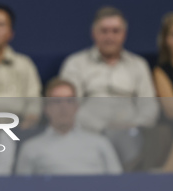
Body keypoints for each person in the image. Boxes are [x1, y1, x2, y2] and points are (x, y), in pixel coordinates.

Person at [59, 6, 159, 169]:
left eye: (115, 31)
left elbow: (149, 106)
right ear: (94, 34)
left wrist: (134, 125)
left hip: (129, 134)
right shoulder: (75, 63)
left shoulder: (138, 65)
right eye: (104, 31)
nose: (109, 37)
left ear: (124, 34)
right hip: (87, 133)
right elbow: (67, 104)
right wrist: (89, 128)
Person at [15, 78, 122, 176]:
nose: (64, 107)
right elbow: (22, 190)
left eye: (69, 100)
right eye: (57, 101)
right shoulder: (31, 148)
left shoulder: (100, 143)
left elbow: (119, 185)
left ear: (76, 106)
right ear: (47, 108)